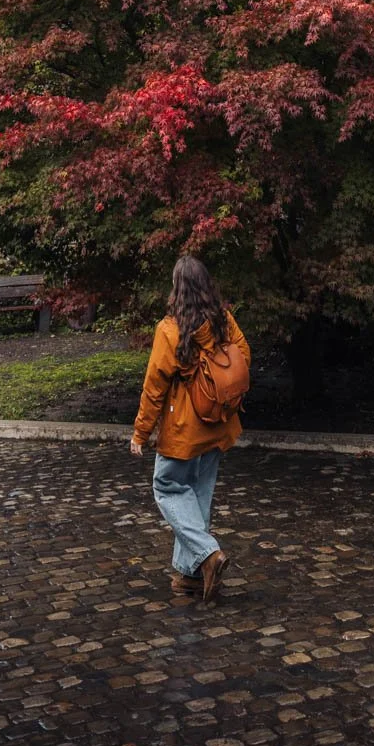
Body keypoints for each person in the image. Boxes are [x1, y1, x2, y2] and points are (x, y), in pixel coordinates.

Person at [131, 256, 251, 603]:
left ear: (177, 289)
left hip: (185, 429)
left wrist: (140, 433)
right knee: (198, 496)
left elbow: (154, 387)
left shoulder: (170, 330)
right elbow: (243, 357)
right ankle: (191, 576)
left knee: (167, 487)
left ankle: (208, 553)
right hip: (218, 423)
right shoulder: (223, 320)